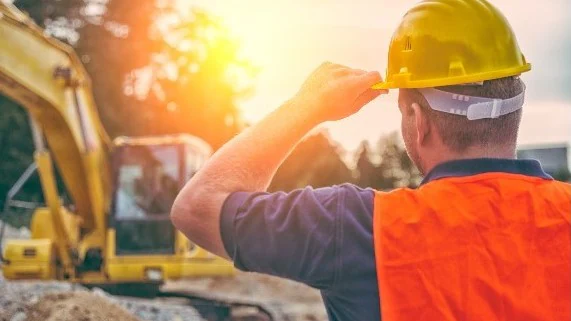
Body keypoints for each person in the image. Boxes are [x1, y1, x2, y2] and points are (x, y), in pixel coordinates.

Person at [171, 0, 571, 320]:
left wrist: (306, 108)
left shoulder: (357, 228)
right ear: (514, 105)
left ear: (417, 122)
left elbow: (197, 207)